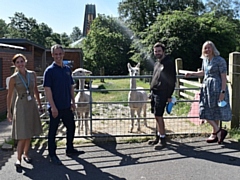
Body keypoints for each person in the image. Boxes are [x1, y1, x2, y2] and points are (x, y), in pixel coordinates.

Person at [43, 44, 84, 165]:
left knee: (71, 127)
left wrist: (73, 102)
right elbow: (47, 90)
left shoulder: (67, 70)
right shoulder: (49, 71)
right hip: (55, 107)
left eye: (60, 54)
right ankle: (52, 154)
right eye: (56, 54)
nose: (58, 56)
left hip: (67, 106)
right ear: (52, 55)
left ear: (63, 54)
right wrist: (53, 107)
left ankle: (70, 149)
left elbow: (71, 87)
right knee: (53, 131)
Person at [185, 41, 231, 144]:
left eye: (209, 48)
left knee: (215, 111)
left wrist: (222, 92)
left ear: (213, 49)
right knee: (204, 109)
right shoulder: (205, 60)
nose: (207, 50)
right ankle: (218, 131)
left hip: (217, 87)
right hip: (207, 88)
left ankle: (215, 133)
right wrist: (192, 74)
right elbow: (203, 72)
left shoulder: (220, 60)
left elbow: (224, 77)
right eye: (205, 48)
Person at [6, 54, 43, 168]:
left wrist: (39, 104)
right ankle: (18, 159)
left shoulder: (32, 74)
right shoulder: (13, 78)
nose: (20, 64)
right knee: (22, 134)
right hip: (21, 105)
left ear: (25, 62)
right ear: (15, 65)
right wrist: (9, 111)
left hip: (31, 104)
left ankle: (26, 154)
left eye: (22, 61)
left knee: (29, 133)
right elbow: (9, 95)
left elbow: (36, 89)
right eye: (18, 62)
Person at [148, 42, 176, 147]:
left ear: (163, 51)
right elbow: (155, 78)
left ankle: (163, 139)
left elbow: (172, 81)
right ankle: (158, 136)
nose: (157, 53)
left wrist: (169, 95)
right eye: (155, 51)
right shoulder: (157, 63)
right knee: (156, 115)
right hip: (154, 92)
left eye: (159, 51)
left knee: (159, 115)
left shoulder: (168, 63)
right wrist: (151, 91)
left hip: (163, 92)